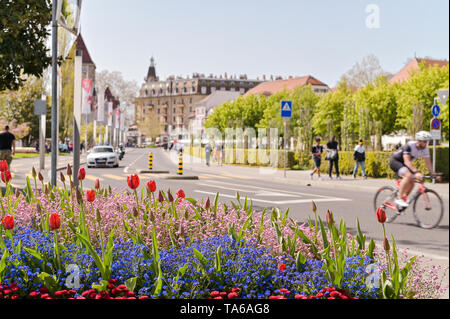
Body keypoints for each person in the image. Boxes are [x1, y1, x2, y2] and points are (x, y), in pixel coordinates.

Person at [389, 131, 440, 208]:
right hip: (395, 161)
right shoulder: (409, 145)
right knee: (408, 175)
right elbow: (407, 161)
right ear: (419, 140)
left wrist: (433, 173)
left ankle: (403, 198)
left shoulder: (425, 149)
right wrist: (416, 172)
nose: (426, 144)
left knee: (412, 182)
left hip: (404, 164)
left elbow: (428, 163)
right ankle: (399, 198)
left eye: (427, 142)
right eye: (424, 142)